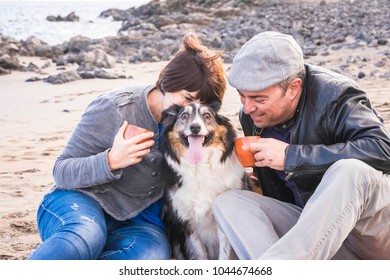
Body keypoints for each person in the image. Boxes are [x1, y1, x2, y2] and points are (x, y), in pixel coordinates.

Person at [27, 32, 226, 260]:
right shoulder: (116, 107)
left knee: (150, 256)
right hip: (80, 203)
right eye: (188, 98)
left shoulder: (202, 130)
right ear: (167, 84)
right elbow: (61, 171)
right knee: (87, 235)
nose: (193, 113)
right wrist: (111, 161)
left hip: (140, 224)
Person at [212, 31, 390, 260]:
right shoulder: (252, 116)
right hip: (315, 243)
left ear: (294, 87)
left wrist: (291, 157)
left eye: (258, 98)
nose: (247, 108)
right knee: (230, 202)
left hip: (370, 236)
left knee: (350, 171)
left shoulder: (335, 95)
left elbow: (383, 149)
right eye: (242, 96)